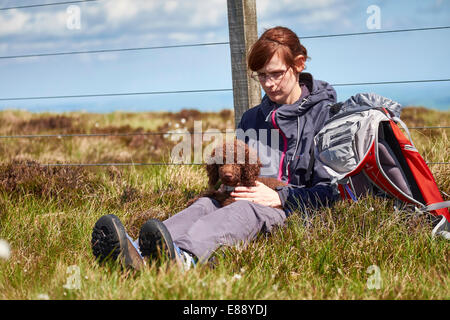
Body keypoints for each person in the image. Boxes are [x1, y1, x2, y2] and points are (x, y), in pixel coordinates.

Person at [90, 26, 340, 270]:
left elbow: (333, 190)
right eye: (261, 75)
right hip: (241, 200)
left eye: (276, 73)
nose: (269, 84)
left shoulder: (326, 116)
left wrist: (279, 197)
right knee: (204, 206)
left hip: (291, 210)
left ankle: (183, 259)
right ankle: (137, 254)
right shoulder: (252, 118)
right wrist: (225, 187)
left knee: (245, 209)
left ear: (299, 64)